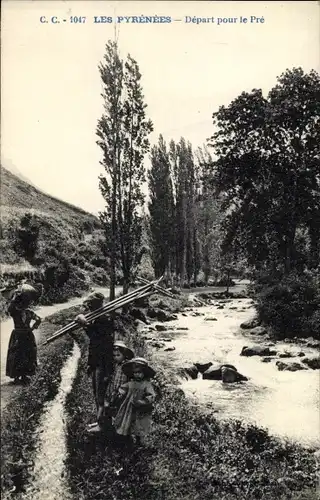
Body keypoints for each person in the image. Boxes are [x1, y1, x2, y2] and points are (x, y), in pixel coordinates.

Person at [74, 292, 114, 432]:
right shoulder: (98, 318)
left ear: (94, 305)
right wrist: (86, 325)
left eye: (90, 306)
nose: (89, 308)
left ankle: (102, 425)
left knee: (101, 395)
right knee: (97, 392)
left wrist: (86, 325)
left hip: (103, 362)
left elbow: (97, 338)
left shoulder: (104, 319)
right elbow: (93, 339)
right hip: (97, 360)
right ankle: (100, 421)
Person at [113, 357, 156, 447]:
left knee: (139, 424)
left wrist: (142, 402)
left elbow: (151, 396)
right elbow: (123, 388)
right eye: (135, 373)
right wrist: (120, 393)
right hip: (128, 407)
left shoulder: (146, 384)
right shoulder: (131, 382)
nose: (137, 375)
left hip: (140, 408)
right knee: (127, 421)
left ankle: (139, 441)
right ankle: (126, 438)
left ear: (144, 373)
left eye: (139, 372)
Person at [6, 285, 42, 385]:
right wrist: (33, 327)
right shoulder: (23, 312)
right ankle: (21, 376)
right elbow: (38, 319)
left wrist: (33, 327)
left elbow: (39, 319)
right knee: (21, 354)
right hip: (24, 335)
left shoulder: (17, 312)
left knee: (23, 354)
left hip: (20, 334)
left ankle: (21, 376)